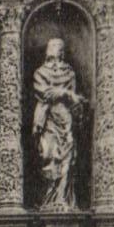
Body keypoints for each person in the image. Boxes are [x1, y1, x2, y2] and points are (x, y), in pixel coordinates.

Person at [32, 37, 86, 210]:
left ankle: (62, 198)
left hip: (66, 118)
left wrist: (69, 97)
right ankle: (49, 198)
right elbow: (45, 93)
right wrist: (65, 93)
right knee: (48, 154)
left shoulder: (69, 73)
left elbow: (73, 97)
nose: (54, 48)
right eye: (51, 46)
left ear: (62, 51)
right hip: (48, 118)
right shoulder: (40, 72)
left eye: (57, 46)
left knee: (67, 158)